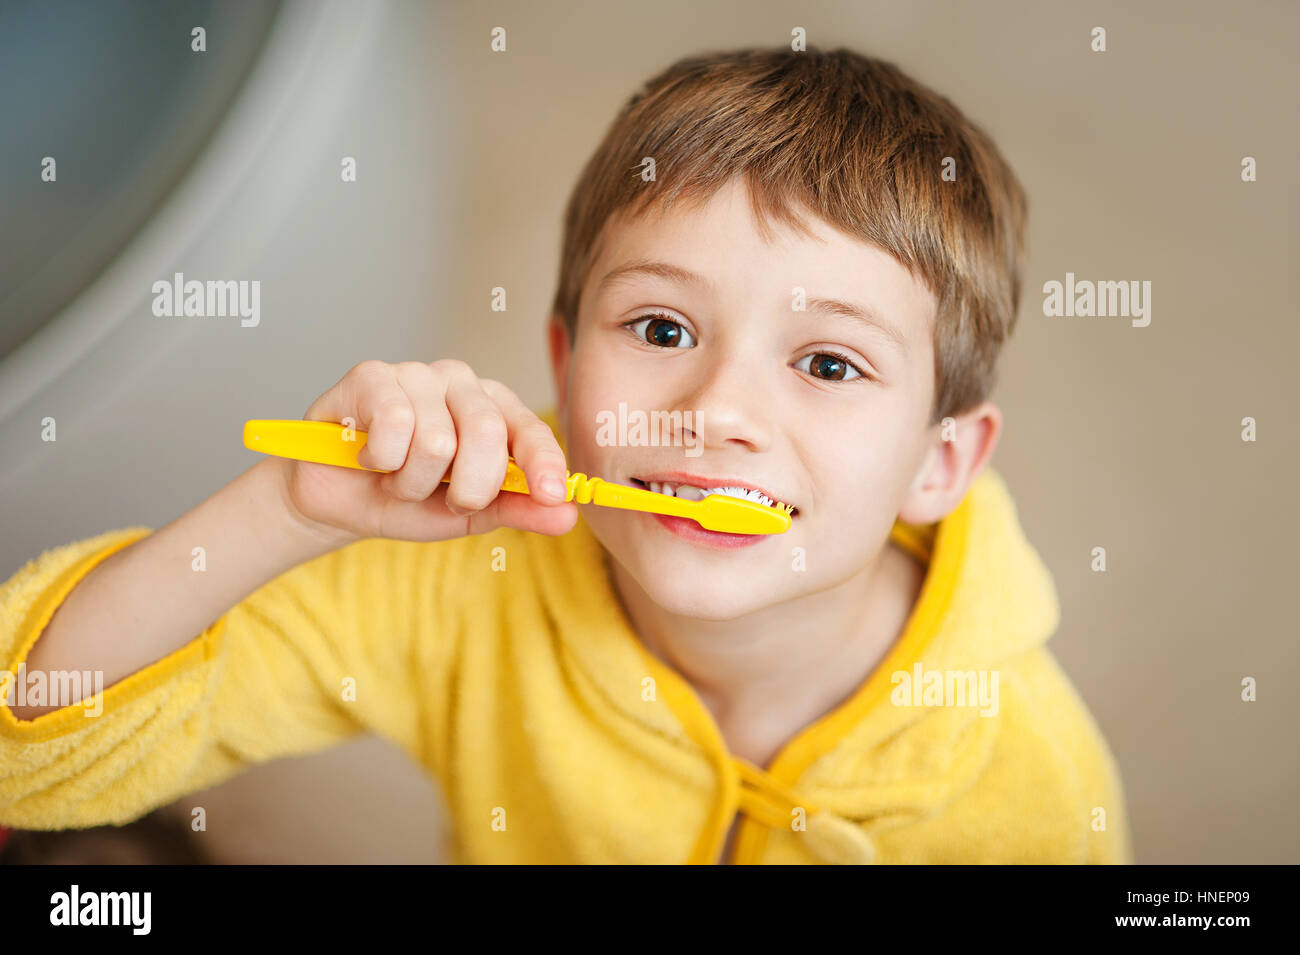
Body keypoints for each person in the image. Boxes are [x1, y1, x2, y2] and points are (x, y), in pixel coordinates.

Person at [0, 46, 1132, 864]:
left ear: (942, 463)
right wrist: (286, 510)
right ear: (563, 361)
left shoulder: (1029, 781)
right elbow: (32, 752)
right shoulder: (456, 584)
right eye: (661, 330)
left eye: (828, 364)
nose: (715, 410)